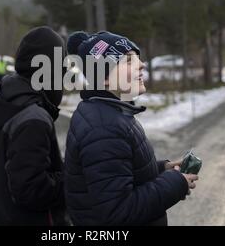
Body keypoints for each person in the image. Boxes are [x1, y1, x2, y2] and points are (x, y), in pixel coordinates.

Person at [64, 31, 198, 226]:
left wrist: (162, 169)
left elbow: (121, 171)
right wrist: (176, 183)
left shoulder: (109, 112)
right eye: (128, 60)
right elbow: (118, 212)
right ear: (104, 78)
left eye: (137, 58)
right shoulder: (103, 128)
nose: (141, 64)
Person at [0, 26, 69, 226]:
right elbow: (31, 190)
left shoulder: (12, 103)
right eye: (61, 70)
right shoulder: (32, 119)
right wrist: (74, 179)